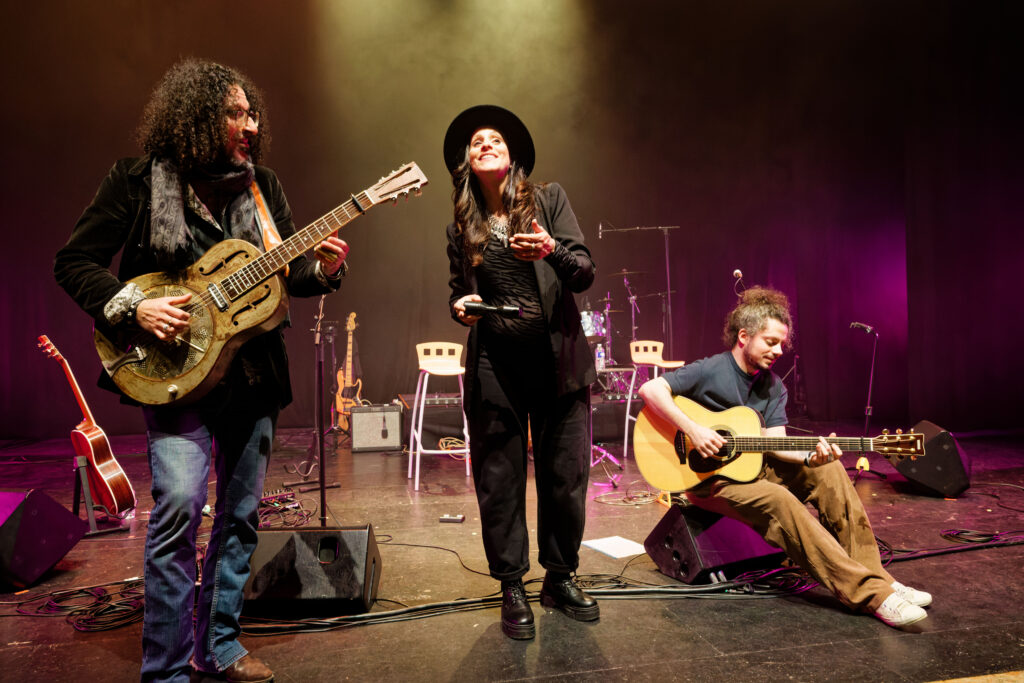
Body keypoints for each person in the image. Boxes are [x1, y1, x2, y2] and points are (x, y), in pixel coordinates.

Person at [54, 59, 350, 682]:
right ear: (196, 118)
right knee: (180, 509)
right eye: (235, 113)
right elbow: (74, 262)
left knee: (240, 517)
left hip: (254, 375)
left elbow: (288, 275)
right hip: (175, 374)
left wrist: (323, 270)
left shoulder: (263, 187)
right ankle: (165, 670)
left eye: (252, 113)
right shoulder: (136, 181)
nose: (251, 125)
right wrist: (135, 307)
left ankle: (218, 644)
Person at [637, 286, 932, 629]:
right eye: (770, 342)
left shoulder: (774, 385)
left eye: (781, 344)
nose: (778, 351)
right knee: (778, 499)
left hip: (753, 469)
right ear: (744, 337)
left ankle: (879, 579)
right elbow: (650, 389)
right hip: (708, 481)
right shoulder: (711, 369)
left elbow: (776, 444)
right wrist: (694, 430)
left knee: (831, 470)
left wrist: (812, 459)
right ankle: (872, 596)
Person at [443, 105, 599, 640]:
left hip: (558, 362)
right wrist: (460, 307)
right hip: (495, 365)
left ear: (512, 157)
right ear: (467, 161)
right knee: (499, 481)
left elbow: (584, 271)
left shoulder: (548, 200)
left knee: (565, 478)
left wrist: (552, 250)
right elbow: (457, 293)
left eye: (495, 139)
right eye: (476, 141)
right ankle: (512, 585)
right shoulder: (461, 225)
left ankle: (560, 577)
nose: (486, 143)